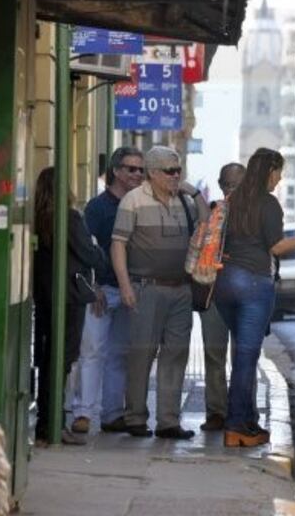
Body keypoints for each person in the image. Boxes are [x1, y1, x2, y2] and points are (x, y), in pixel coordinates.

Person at [217, 148, 295, 447]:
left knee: (242, 354)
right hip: (254, 282)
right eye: (279, 172)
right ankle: (237, 425)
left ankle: (245, 420)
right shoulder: (268, 204)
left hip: (224, 282)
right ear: (269, 170)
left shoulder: (233, 200)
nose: (280, 178)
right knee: (245, 357)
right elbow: (277, 247)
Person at [111, 146, 202, 440]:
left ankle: (168, 422)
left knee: (176, 355)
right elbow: (118, 245)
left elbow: (206, 227)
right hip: (146, 289)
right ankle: (135, 417)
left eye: (178, 171)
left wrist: (195, 194)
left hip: (181, 290)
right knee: (142, 354)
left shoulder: (185, 202)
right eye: (169, 171)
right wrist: (125, 286)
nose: (176, 176)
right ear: (152, 173)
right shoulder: (133, 200)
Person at [70, 147, 144, 435]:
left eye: (140, 170)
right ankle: (83, 412)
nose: (137, 174)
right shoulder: (97, 207)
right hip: (100, 290)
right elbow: (85, 250)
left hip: (129, 290)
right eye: (131, 169)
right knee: (92, 351)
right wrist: (93, 287)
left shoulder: (140, 204)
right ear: (116, 171)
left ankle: (113, 414)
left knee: (120, 353)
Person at [32, 167, 107, 446]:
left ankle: (44, 424)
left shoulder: (37, 217)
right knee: (62, 361)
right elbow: (90, 255)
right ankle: (53, 426)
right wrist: (98, 250)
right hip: (70, 296)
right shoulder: (70, 218)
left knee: (48, 360)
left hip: (43, 296)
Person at [195, 163, 243, 432]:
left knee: (244, 357)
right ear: (221, 185)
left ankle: (241, 413)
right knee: (214, 356)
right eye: (228, 185)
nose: (231, 190)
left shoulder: (258, 213)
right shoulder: (211, 212)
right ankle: (216, 412)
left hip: (245, 296)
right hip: (213, 293)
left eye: (237, 185)